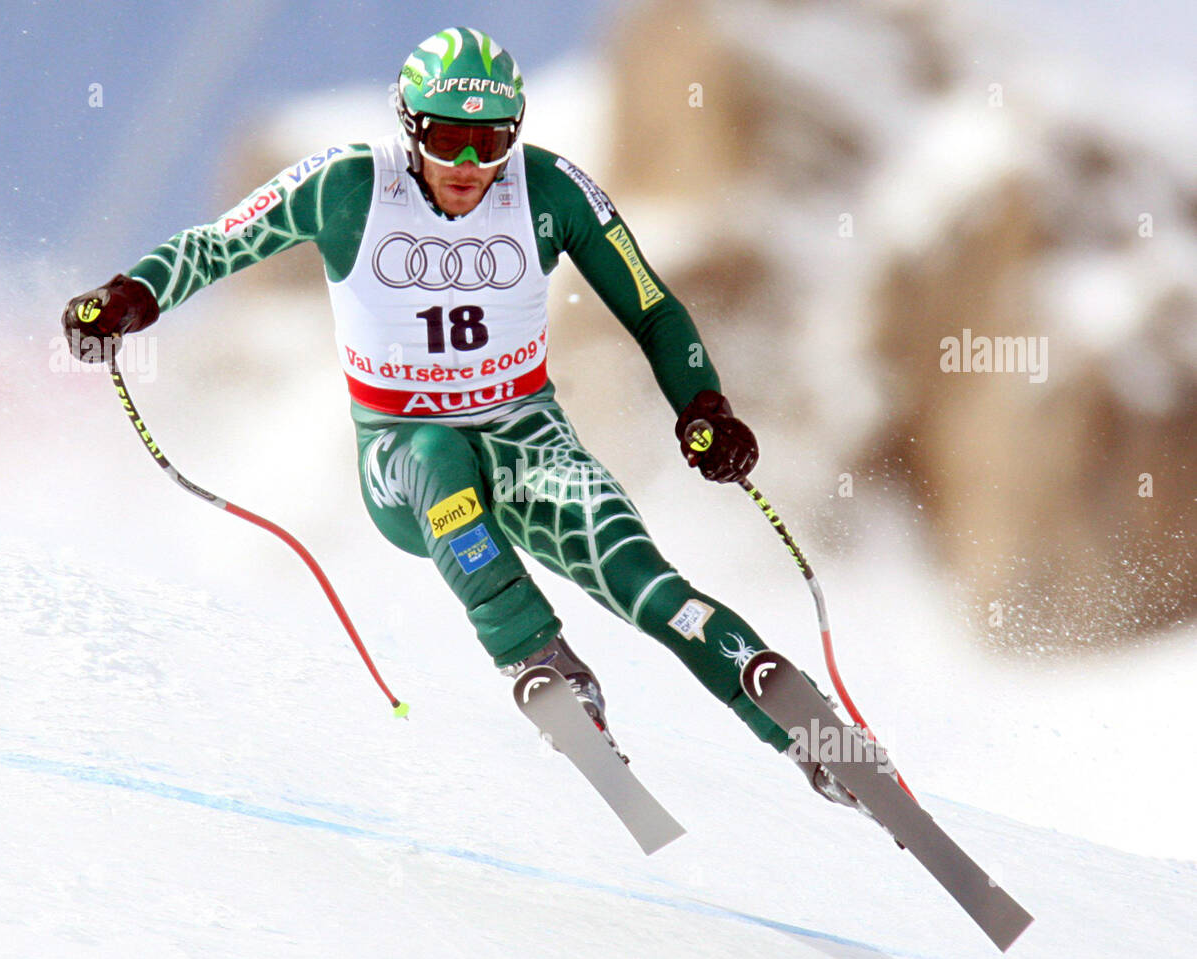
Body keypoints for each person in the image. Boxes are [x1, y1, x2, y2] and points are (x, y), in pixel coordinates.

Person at [63, 26, 854, 804]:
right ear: (411, 129)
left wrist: (703, 406)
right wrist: (128, 298)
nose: (471, 165)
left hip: (525, 432)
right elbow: (215, 245)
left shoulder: (547, 187)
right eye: (448, 140)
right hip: (401, 449)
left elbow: (651, 305)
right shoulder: (346, 185)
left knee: (635, 572)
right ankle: (538, 657)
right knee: (441, 459)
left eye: (491, 140)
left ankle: (791, 717)